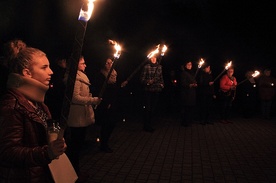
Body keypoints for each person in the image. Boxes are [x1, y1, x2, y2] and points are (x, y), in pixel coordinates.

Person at [0, 47, 66, 182]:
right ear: (27, 72)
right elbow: (7, 153)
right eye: (44, 67)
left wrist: (54, 137)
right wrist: (47, 152)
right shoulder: (12, 105)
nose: (51, 71)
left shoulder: (37, 102)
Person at [65, 56, 101, 181]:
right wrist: (92, 100)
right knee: (75, 147)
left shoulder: (80, 76)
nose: (85, 65)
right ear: (76, 65)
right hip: (77, 117)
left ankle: (75, 171)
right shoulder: (75, 78)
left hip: (81, 115)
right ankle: (73, 173)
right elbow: (75, 98)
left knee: (78, 145)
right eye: (82, 63)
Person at [93, 58, 120, 152]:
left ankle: (105, 142)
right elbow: (100, 90)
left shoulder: (114, 73)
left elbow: (114, 89)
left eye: (110, 62)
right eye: (107, 63)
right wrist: (106, 103)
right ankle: (103, 144)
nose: (109, 64)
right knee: (106, 124)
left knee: (112, 123)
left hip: (113, 102)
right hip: (105, 104)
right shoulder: (101, 75)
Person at [140, 56, 164, 132]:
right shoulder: (146, 67)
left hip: (156, 90)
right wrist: (148, 82)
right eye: (152, 58)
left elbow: (161, 77)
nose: (153, 59)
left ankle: (150, 124)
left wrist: (162, 83)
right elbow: (142, 79)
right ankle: (146, 125)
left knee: (153, 108)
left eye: (155, 58)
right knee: (148, 108)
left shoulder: (159, 67)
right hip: (148, 90)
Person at [179, 61, 197, 127]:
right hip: (186, 94)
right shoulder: (184, 73)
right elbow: (183, 83)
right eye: (188, 64)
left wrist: (195, 84)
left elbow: (194, 80)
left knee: (190, 108)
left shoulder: (192, 73)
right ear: (185, 65)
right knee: (186, 108)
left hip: (192, 93)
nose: (190, 65)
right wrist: (190, 85)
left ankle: (189, 121)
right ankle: (184, 122)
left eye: (191, 64)